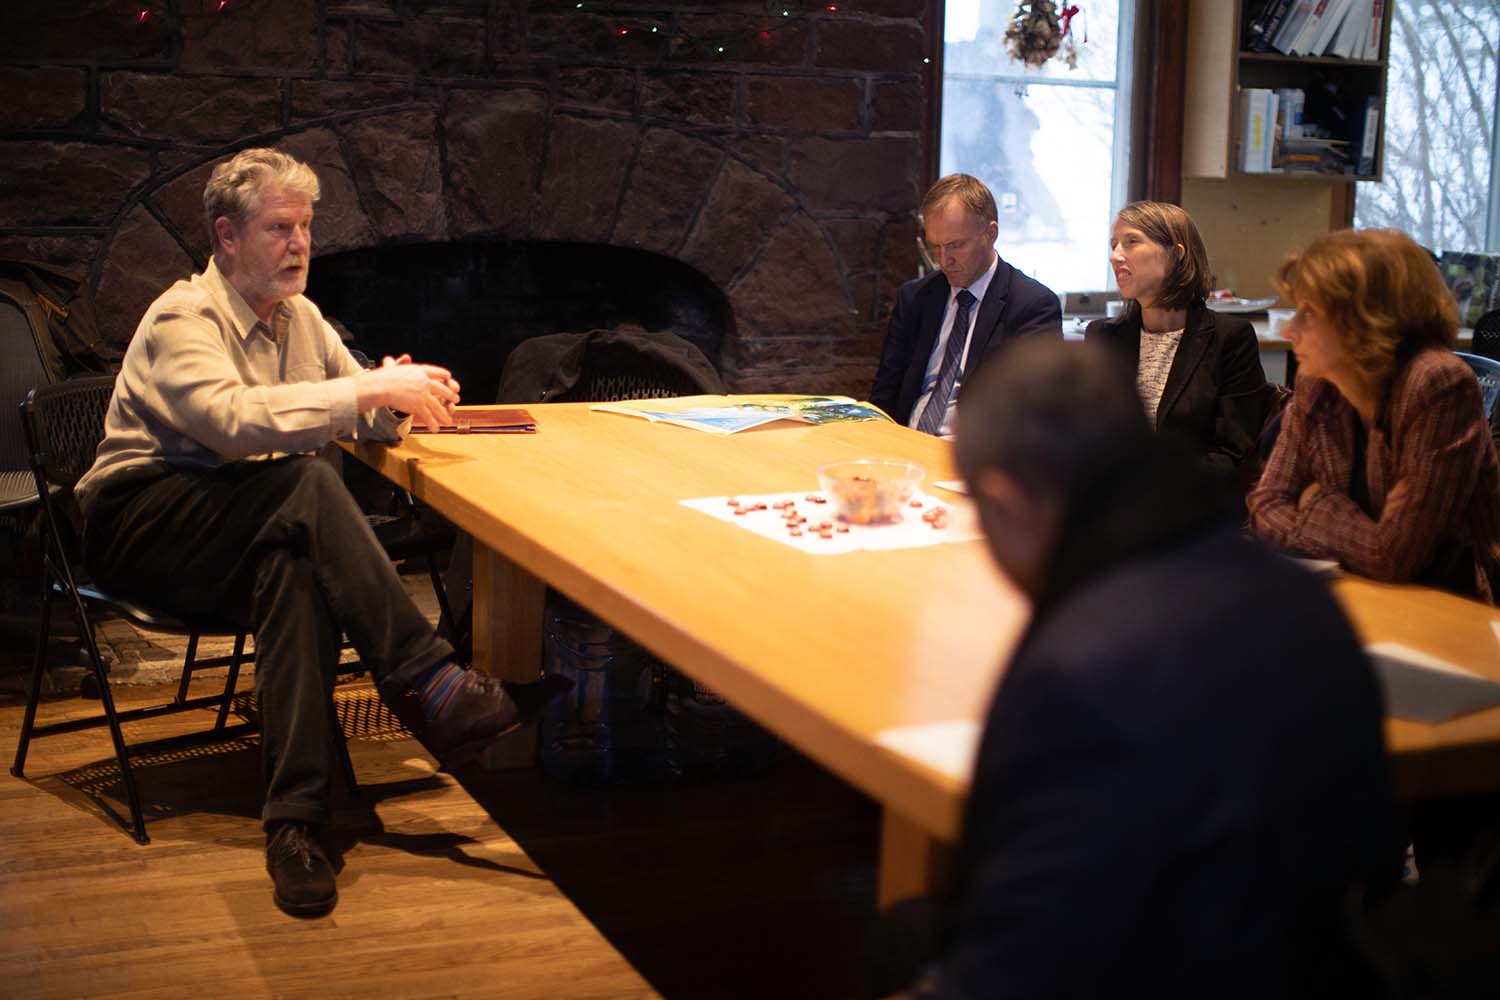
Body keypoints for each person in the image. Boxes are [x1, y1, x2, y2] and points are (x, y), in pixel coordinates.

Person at [74, 148, 567, 918]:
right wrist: (364, 388)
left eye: (305, 227)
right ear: (227, 236)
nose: (300, 243)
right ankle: (433, 685)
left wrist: (398, 396)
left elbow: (355, 405)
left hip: (249, 523)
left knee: (295, 567)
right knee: (304, 484)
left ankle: (297, 825)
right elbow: (231, 424)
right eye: (279, 227)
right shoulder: (182, 318)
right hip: (142, 524)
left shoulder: (301, 319)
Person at [898, 339, 1397, 998]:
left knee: (901, 936)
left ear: (1006, 504)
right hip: (1323, 969)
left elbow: (1014, 970)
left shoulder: (1075, 675)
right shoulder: (1306, 600)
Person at [1248, 228, 1500, 603]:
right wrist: (1364, 535)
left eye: (1310, 313)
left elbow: (1396, 557)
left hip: (1451, 606)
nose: (1290, 330)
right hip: (1358, 592)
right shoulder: (1318, 380)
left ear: (1367, 319)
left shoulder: (1437, 384)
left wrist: (1316, 502)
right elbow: (1265, 505)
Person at [1085, 201, 1268, 490]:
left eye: (1131, 242)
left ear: (1176, 255)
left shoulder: (1230, 339)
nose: (1115, 256)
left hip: (1191, 507)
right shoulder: (1103, 336)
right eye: (1114, 245)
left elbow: (1233, 454)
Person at [870, 174, 1061, 436]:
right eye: (934, 247)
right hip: (905, 446)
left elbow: (1035, 414)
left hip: (974, 458)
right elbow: (885, 395)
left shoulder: (1032, 306)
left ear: (991, 234)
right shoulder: (916, 298)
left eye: (955, 245)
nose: (943, 260)